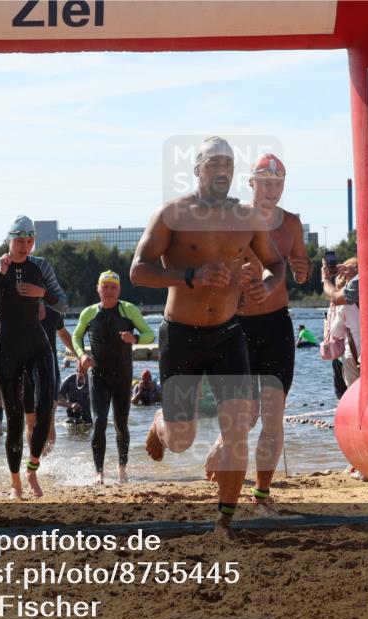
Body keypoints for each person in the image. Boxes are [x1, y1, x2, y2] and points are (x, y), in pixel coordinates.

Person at [130, 135, 286, 532]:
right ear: (197, 169)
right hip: (180, 335)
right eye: (214, 165)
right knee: (182, 438)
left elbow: (276, 265)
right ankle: (161, 421)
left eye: (228, 167)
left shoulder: (248, 217)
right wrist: (188, 276)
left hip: (228, 336)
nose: (221, 172)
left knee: (236, 429)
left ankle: (225, 520)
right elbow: (138, 270)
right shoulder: (172, 214)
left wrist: (264, 288)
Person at [204, 153, 310, 508]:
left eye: (278, 183)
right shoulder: (234, 221)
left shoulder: (292, 224)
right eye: (265, 183)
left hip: (277, 323)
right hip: (240, 325)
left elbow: (301, 270)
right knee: (246, 415)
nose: (272, 190)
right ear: (251, 184)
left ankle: (262, 493)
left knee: (273, 414)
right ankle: (220, 446)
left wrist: (301, 269)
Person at [0, 215, 68, 500]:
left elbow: (63, 303)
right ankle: (16, 483)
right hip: (7, 351)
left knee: (43, 412)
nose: (25, 246)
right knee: (14, 420)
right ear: (9, 240)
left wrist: (43, 294)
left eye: (29, 241)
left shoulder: (41, 266)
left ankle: (32, 468)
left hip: (38, 346)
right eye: (19, 241)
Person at [72, 270, 154, 484]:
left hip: (122, 375)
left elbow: (150, 334)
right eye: (105, 286)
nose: (108, 290)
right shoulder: (89, 313)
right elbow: (76, 336)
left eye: (113, 287)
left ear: (119, 290)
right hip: (98, 375)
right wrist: (81, 355)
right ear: (98, 288)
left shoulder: (128, 310)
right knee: (99, 421)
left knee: (121, 424)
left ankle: (122, 468)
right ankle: (99, 472)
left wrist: (134, 338)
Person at [22, 300, 79, 451]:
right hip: (27, 373)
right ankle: (35, 460)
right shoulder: (21, 313)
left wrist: (79, 355)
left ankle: (46, 461)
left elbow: (63, 333)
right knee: (31, 420)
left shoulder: (54, 313)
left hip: (51, 372)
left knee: (49, 420)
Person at [321, 257, 360, 386]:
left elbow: (337, 331)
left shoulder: (344, 304)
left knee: (355, 394)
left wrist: (326, 278)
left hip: (354, 354)